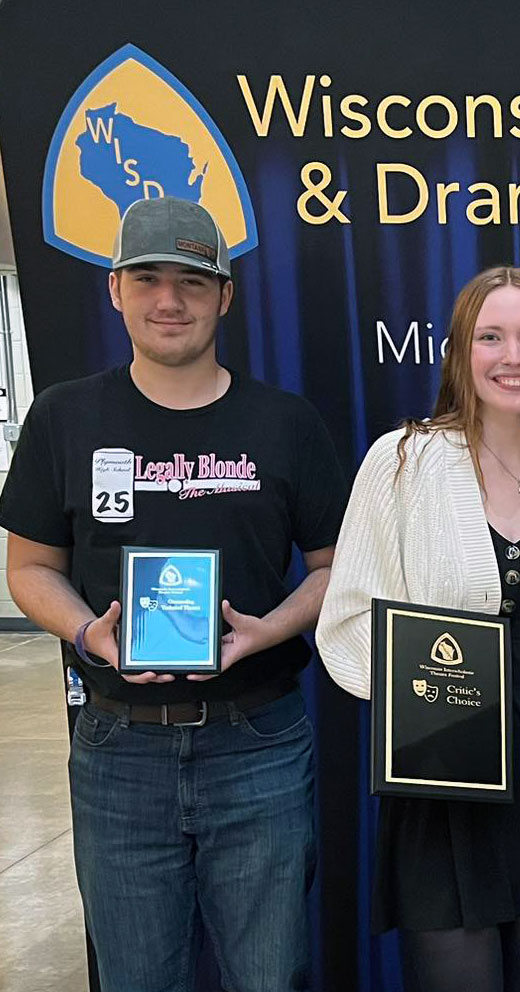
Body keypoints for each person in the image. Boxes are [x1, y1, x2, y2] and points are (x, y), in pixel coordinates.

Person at [0, 196, 347, 991]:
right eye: (148, 278)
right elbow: (30, 569)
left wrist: (267, 631)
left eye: (191, 281)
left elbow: (338, 570)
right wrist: (90, 633)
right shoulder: (62, 417)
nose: (169, 300)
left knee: (270, 977)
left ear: (225, 295)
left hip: (258, 743)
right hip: (118, 750)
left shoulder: (285, 423)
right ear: (114, 289)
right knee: (135, 978)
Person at [316, 266, 520, 992]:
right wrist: (428, 703)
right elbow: (348, 621)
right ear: (460, 352)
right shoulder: (402, 463)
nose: (513, 357)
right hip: (441, 789)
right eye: (491, 337)